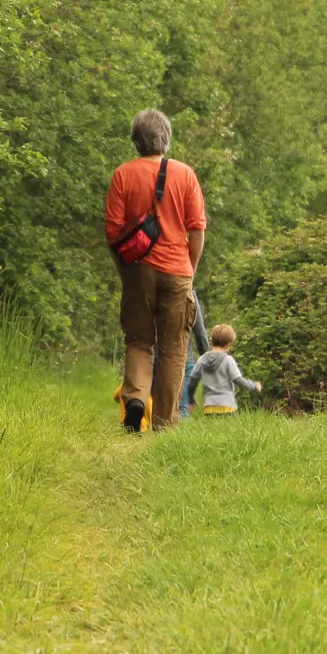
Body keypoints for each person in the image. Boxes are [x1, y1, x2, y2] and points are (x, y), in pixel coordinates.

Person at [104, 109, 205, 432]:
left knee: (139, 340)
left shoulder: (123, 174)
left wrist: (126, 270)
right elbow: (197, 229)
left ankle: (135, 398)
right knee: (175, 348)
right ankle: (164, 423)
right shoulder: (185, 174)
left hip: (138, 269)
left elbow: (113, 231)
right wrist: (190, 269)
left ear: (136, 141)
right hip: (178, 270)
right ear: (167, 138)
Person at [184, 324, 262, 416]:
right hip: (228, 407)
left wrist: (191, 400)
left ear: (212, 340)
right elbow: (238, 380)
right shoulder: (228, 360)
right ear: (228, 344)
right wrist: (254, 385)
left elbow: (192, 383)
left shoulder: (201, 359)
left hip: (209, 408)